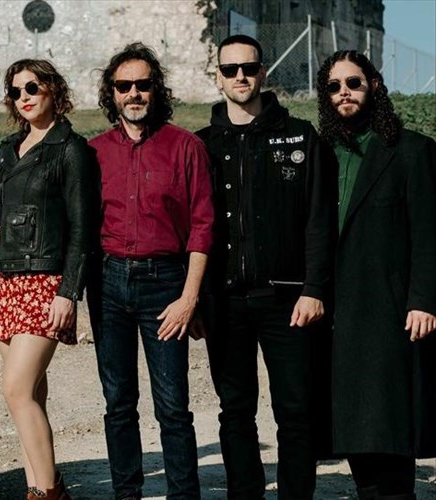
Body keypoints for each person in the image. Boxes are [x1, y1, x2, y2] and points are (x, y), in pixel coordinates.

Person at [196, 35, 334, 499]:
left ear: (263, 72)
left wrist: (314, 288)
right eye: (230, 69)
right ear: (217, 76)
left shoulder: (300, 136)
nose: (240, 76)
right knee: (235, 410)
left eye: (249, 68)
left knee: (296, 410)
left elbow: (319, 219)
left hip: (288, 300)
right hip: (224, 301)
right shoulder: (201, 145)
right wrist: (194, 299)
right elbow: (188, 228)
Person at [87, 42, 214, 499]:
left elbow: (203, 226)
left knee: (173, 406)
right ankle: (127, 493)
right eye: (124, 86)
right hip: (107, 284)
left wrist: (189, 298)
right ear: (112, 93)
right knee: (118, 403)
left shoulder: (186, 147)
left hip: (165, 284)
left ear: (156, 89)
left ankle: (184, 495)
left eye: (143, 84)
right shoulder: (93, 151)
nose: (134, 93)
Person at [317, 50, 436, 500]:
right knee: (352, 428)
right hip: (336, 312)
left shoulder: (412, 150)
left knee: (389, 427)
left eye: (354, 83)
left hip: (389, 309)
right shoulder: (322, 153)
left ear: (375, 86)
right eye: (334, 86)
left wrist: (423, 299)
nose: (344, 92)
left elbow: (429, 232)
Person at [0, 59, 97, 499]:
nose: (24, 97)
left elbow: (83, 228)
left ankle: (50, 493)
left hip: (46, 284)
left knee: (16, 390)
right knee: (30, 394)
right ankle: (36, 486)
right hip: (8, 283)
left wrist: (69, 292)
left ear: (53, 90)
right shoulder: (8, 149)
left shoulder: (71, 149)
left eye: (33, 87)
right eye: (16, 91)